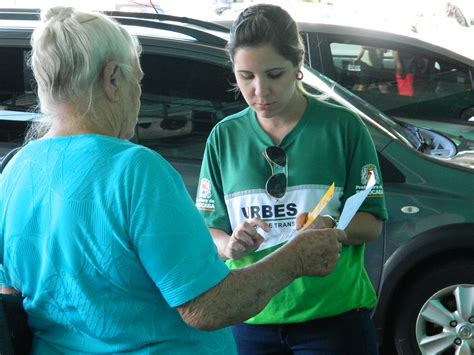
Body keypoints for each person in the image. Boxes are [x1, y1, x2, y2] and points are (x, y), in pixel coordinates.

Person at [0, 7, 344, 354]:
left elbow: (11, 295)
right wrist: (295, 258)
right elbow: (207, 306)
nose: (139, 95)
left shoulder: (13, 172)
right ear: (112, 79)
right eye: (137, 79)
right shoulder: (135, 171)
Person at [196, 4, 388, 354]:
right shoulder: (224, 137)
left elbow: (372, 222)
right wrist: (229, 245)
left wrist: (332, 227)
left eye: (273, 75)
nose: (260, 91)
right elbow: (209, 231)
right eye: (245, 77)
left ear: (298, 66)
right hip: (251, 320)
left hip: (334, 319)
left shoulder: (343, 128)